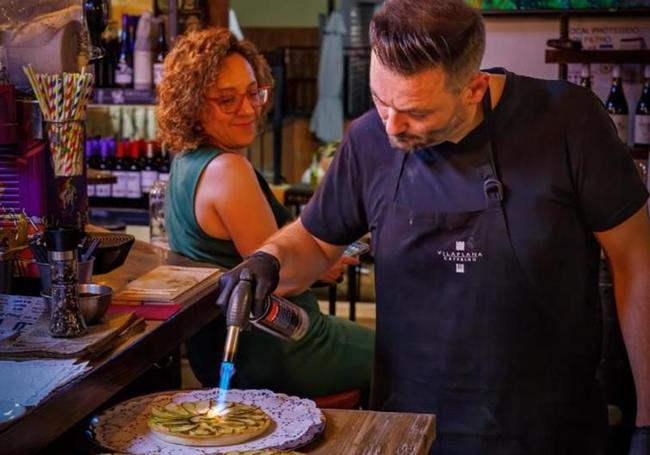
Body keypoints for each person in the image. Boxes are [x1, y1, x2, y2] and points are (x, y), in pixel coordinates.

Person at [215, 1, 650, 454]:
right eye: (380, 101)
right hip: (408, 428)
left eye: (416, 113)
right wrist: (270, 259)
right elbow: (314, 241)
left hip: (546, 429)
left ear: (474, 89)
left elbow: (637, 262)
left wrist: (646, 422)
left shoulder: (568, 123)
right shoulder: (369, 139)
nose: (392, 126)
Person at [156, 27, 373, 399]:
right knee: (401, 357)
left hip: (216, 348)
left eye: (253, 92)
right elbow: (282, 278)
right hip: (279, 346)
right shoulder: (229, 170)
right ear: (191, 104)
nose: (248, 109)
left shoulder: (185, 162)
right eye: (227, 100)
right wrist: (323, 260)